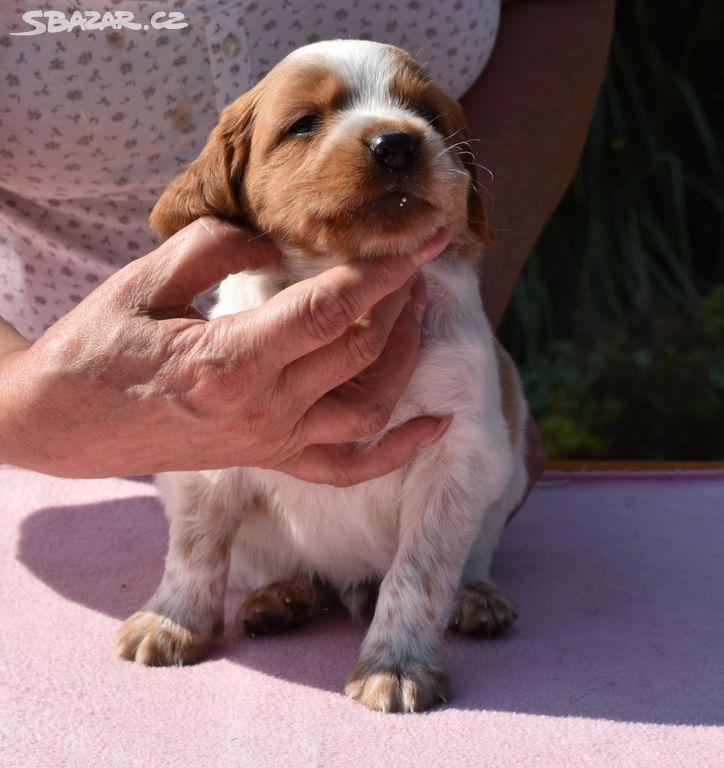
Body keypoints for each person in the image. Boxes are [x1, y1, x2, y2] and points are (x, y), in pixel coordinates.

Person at [0, 0, 614, 487]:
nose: (395, 138)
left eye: (421, 110)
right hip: (52, 453)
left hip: (411, 406)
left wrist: (461, 322)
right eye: (304, 124)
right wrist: (19, 401)